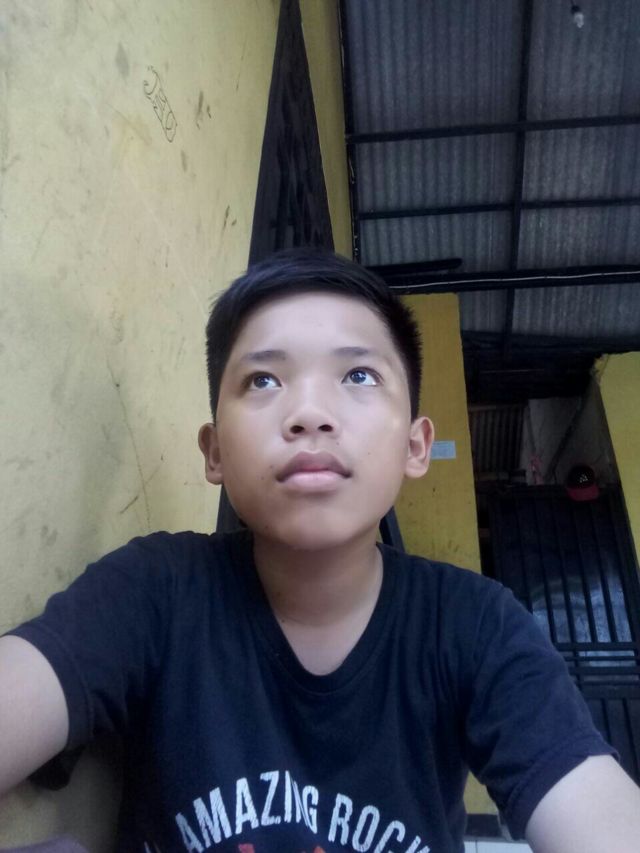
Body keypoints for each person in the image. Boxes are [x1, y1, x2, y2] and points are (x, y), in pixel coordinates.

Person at [1, 249, 639, 853]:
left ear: (416, 446)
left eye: (359, 375)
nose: (309, 413)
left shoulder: (476, 628)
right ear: (215, 451)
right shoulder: (156, 592)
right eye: (263, 379)